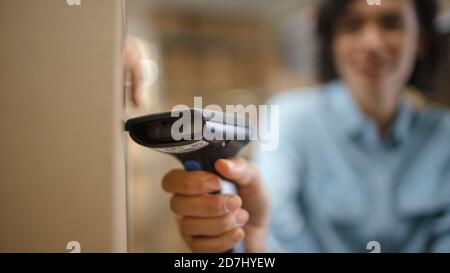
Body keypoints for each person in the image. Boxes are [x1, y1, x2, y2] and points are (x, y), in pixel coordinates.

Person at [160, 0, 450, 252]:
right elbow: (269, 235)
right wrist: (236, 238)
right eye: (352, 25)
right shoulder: (291, 119)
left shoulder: (443, 136)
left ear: (422, 38)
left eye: (391, 23)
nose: (372, 43)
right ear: (333, 40)